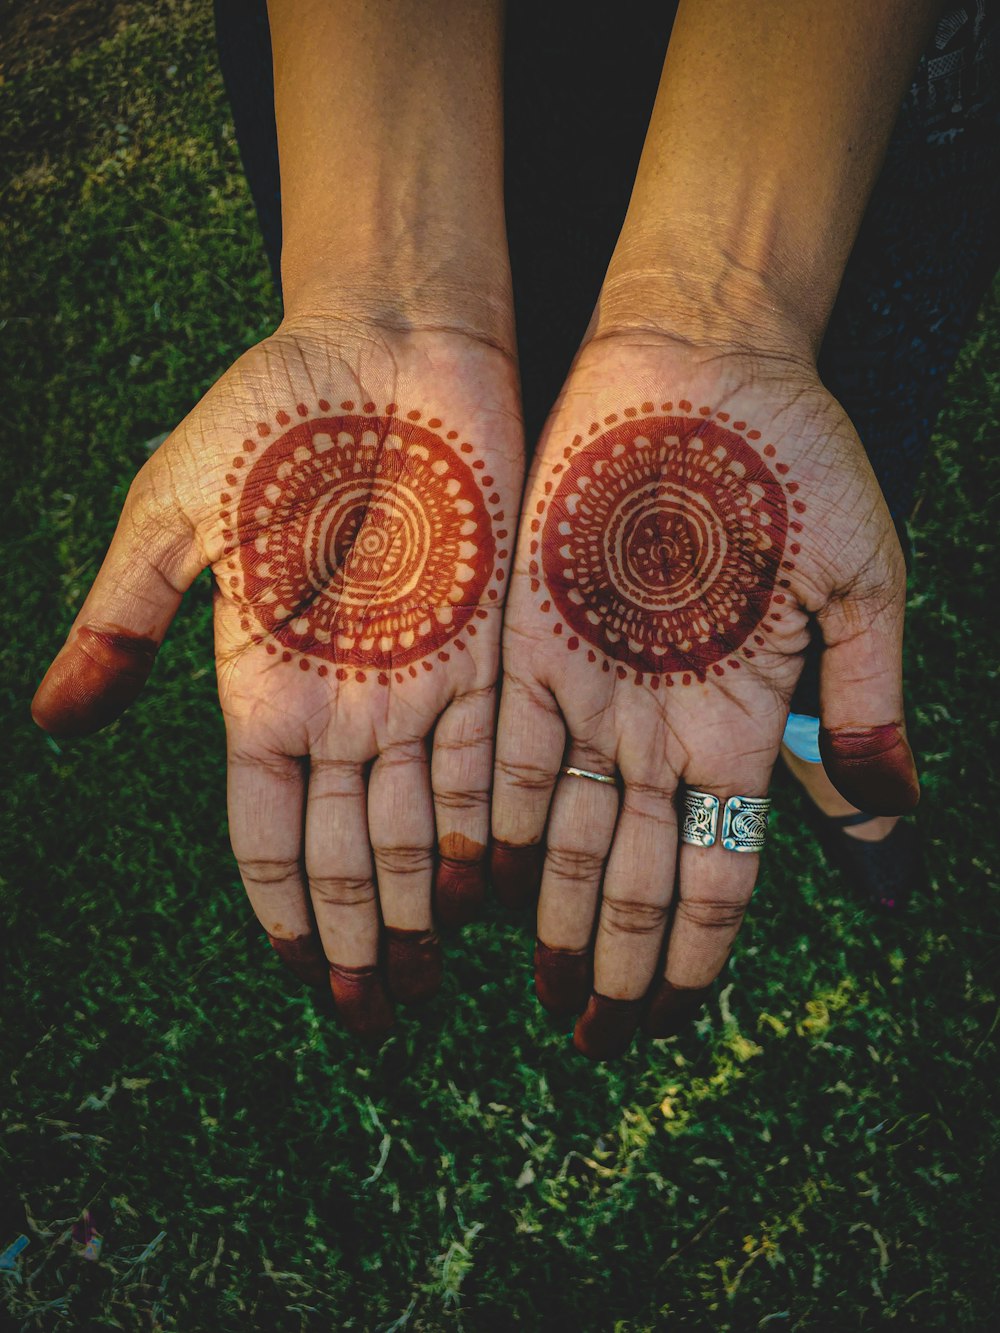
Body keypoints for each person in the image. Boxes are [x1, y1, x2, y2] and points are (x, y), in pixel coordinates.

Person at [31, 1, 1000, 1059]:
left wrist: (729, 312)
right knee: (539, 433)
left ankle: (809, 728)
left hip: (844, 88)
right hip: (393, 102)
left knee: (793, 510)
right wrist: (386, 292)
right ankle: (802, 724)